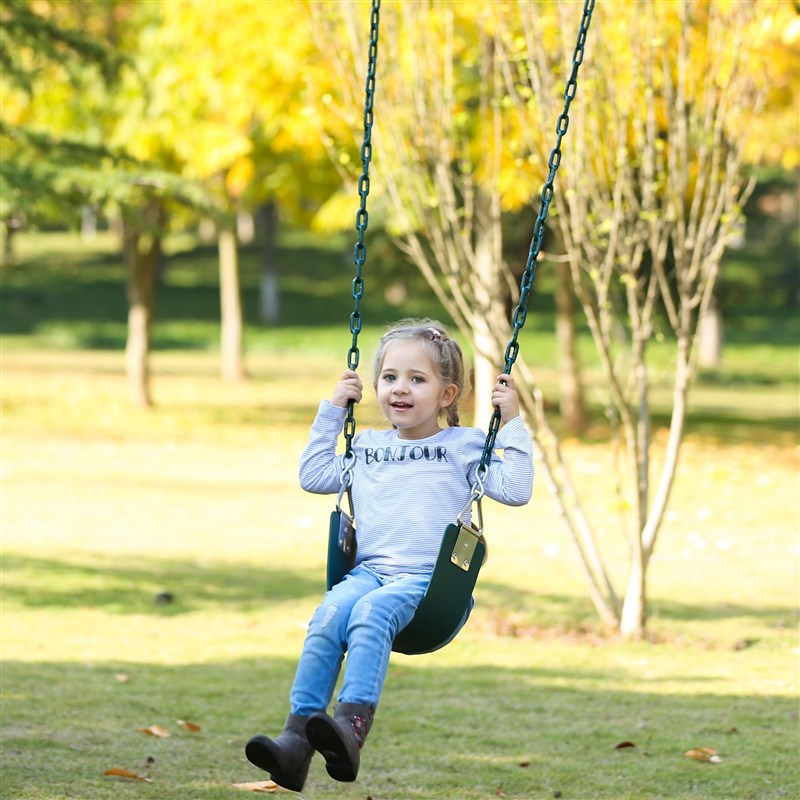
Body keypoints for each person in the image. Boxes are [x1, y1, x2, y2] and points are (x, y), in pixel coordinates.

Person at [245, 318, 534, 791]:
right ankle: (296, 742)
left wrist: (513, 424)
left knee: (371, 614)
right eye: (390, 377)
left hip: (429, 584)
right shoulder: (368, 447)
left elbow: (516, 489)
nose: (400, 389)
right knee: (330, 613)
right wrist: (333, 411)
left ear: (446, 395)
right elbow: (314, 474)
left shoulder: (462, 447)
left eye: (417, 379)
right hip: (371, 572)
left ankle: (350, 729)